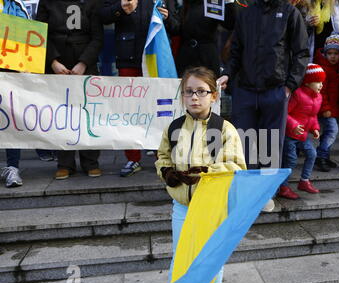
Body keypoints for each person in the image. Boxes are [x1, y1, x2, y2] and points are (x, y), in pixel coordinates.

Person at [155, 66, 246, 283]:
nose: (194, 97)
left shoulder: (224, 129)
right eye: (188, 91)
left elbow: (235, 165)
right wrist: (167, 172)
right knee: (181, 255)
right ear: (182, 95)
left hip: (211, 207)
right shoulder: (174, 127)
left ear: (214, 96)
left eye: (201, 91)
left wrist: (205, 173)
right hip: (182, 207)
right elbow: (163, 156)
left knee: (210, 256)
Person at [218, 0, 310, 211]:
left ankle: (266, 195)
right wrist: (227, 74)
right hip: (245, 90)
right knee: (243, 142)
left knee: (270, 145)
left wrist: (289, 86)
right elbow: (236, 51)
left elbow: (301, 52)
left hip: (275, 91)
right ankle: (246, 194)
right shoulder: (246, 13)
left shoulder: (290, 13)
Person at [100, 0, 179, 177]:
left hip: (155, 58)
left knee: (160, 109)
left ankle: (163, 158)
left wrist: (167, 19)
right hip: (128, 58)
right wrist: (120, 9)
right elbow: (103, 16)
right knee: (128, 109)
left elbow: (177, 26)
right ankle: (132, 158)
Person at [36, 0, 104, 180]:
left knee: (88, 113)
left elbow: (98, 37)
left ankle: (91, 161)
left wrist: (84, 63)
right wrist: (52, 62)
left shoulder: (92, 3)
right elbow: (39, 33)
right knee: (60, 113)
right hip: (57, 63)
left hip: (85, 64)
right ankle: (64, 163)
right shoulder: (46, 2)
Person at [277, 64, 325, 199]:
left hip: (303, 135)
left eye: (322, 82)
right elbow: (285, 113)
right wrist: (293, 125)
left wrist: (315, 128)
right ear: (308, 82)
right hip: (290, 135)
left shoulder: (318, 97)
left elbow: (313, 115)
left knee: (312, 154)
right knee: (290, 160)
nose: (321, 85)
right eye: (317, 82)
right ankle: (283, 187)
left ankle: (304, 181)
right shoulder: (297, 94)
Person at [0, 0, 30, 188]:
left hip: (10, 73)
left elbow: (27, 37)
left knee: (11, 120)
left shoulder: (17, 5)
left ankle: (12, 167)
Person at [174, 0, 236, 77]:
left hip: (207, 56)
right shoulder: (185, 4)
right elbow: (177, 29)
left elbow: (230, 24)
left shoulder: (212, 2)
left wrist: (229, 2)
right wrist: (167, 18)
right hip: (186, 56)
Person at [313, 32, 339, 172]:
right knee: (333, 130)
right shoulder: (323, 69)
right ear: (325, 54)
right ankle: (321, 156)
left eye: (336, 53)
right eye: (329, 53)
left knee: (328, 132)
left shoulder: (337, 68)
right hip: (325, 107)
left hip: (331, 106)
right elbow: (321, 92)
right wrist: (325, 108)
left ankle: (325, 156)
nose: (333, 56)